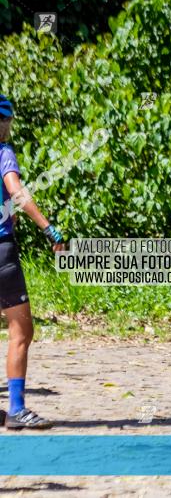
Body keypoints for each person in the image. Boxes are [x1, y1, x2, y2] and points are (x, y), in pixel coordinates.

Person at [0, 94, 65, 429]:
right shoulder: (3, 152)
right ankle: (16, 408)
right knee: (21, 328)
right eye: (8, 120)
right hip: (1, 251)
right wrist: (48, 228)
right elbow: (17, 191)